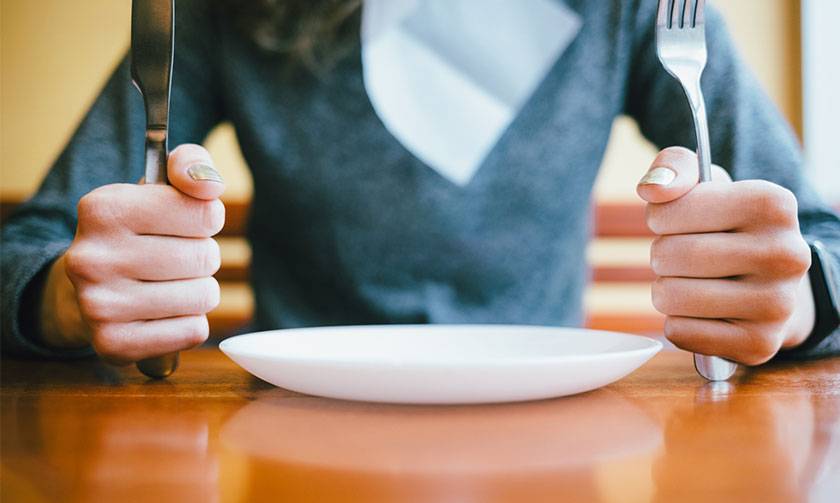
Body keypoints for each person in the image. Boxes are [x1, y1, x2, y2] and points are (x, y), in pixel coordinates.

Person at [2, 0, 838, 366]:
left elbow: (821, 243)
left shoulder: (635, 7)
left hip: (547, 425)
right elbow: (28, 250)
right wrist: (69, 299)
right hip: (292, 422)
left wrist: (796, 300)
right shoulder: (226, 9)